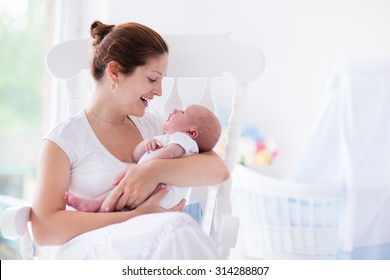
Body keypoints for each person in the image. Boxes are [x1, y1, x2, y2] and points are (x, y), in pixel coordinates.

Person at [31, 20, 229, 259]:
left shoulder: (158, 127)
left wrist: (153, 171)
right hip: (93, 250)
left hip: (153, 247)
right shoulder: (63, 140)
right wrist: (138, 216)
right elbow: (45, 230)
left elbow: (218, 171)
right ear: (115, 72)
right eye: (152, 79)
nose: (159, 92)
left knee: (178, 233)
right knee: (178, 230)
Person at [65, 104, 221, 214]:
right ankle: (97, 204)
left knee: (126, 187)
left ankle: (96, 204)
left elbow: (169, 155)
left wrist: (144, 169)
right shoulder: (166, 138)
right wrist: (146, 145)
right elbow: (136, 155)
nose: (175, 110)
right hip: (161, 191)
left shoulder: (185, 141)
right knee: (123, 189)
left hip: (165, 191)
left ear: (192, 132)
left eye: (182, 112)